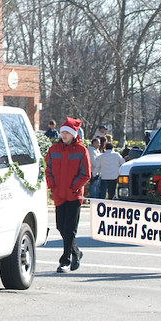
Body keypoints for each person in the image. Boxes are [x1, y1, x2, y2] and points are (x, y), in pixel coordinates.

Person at [46, 117, 91, 273]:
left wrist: (74, 187)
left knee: (70, 229)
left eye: (67, 132)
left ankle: (64, 260)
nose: (64, 135)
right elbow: (48, 169)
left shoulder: (81, 151)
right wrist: (51, 185)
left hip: (74, 195)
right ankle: (76, 252)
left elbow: (86, 174)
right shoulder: (53, 150)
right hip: (59, 194)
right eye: (62, 132)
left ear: (73, 134)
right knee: (60, 226)